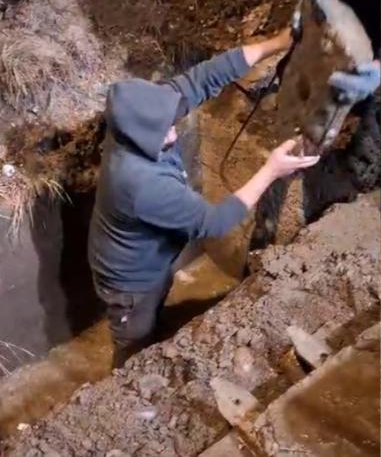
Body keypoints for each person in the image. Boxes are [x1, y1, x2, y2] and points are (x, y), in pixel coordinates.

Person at [88, 30, 320, 369]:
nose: (175, 128)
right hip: (129, 281)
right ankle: (127, 378)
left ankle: (152, 328)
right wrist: (271, 169)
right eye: (166, 129)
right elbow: (215, 222)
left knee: (159, 293)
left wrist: (278, 42)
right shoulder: (140, 184)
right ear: (143, 136)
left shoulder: (138, 114)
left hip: (148, 257)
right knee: (134, 339)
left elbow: (203, 77)